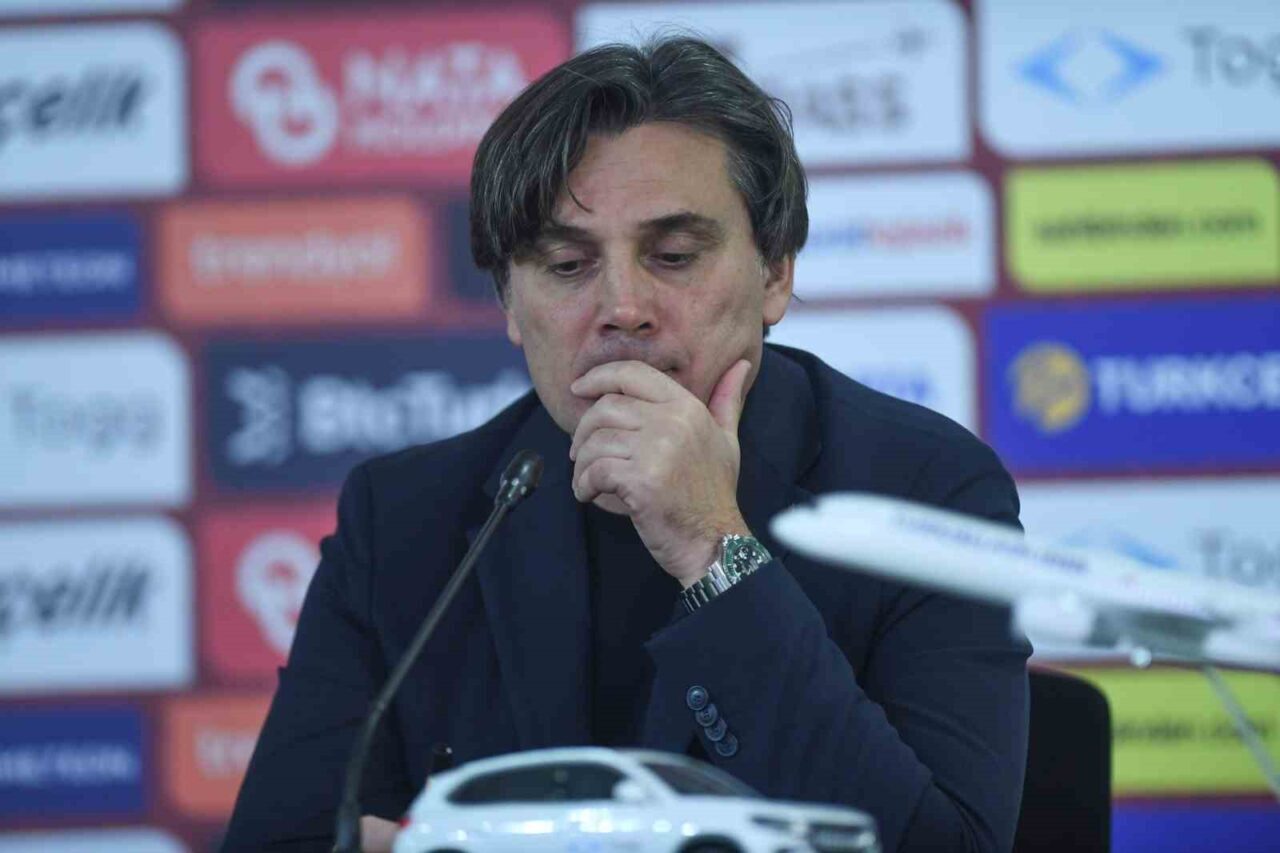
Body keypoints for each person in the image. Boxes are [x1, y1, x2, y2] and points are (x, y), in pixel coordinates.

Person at [224, 37, 1029, 853]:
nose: (623, 306)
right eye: (567, 265)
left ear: (776, 272)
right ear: (508, 303)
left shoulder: (923, 491)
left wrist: (712, 548)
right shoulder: (403, 518)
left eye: (673, 256)